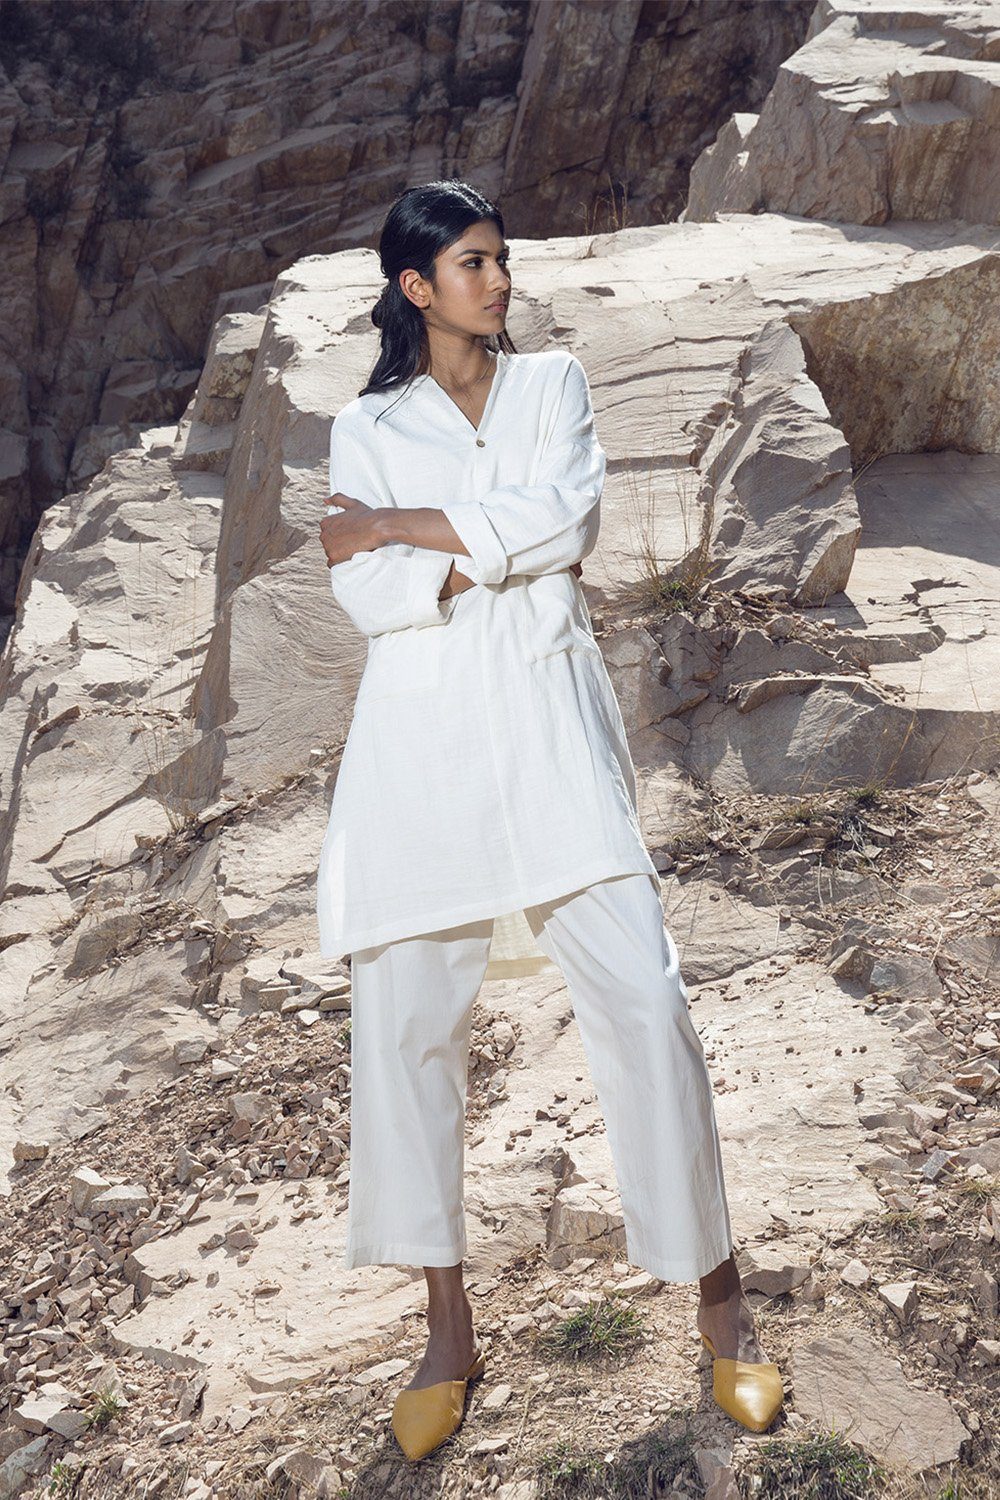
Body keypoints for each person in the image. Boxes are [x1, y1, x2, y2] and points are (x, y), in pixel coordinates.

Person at [316, 180, 783, 1462]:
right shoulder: (365, 424)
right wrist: (473, 548)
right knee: (405, 1032)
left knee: (645, 1000)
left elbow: (564, 522)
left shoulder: (551, 386)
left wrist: (401, 531)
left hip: (549, 732)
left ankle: (721, 1305)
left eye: (501, 259)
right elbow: (368, 601)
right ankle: (446, 1329)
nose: (498, 281)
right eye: (472, 263)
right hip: (419, 752)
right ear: (415, 286)